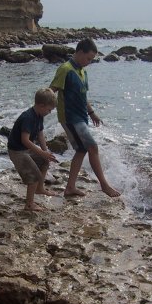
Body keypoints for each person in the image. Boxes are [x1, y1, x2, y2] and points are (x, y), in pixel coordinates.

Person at [50, 37, 121, 198]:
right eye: (88, 58)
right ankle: (104, 185)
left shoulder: (83, 71)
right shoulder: (65, 69)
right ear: (80, 52)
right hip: (70, 117)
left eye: (91, 59)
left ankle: (70, 187)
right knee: (93, 147)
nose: (89, 62)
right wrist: (40, 112)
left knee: (81, 150)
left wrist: (92, 112)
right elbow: (50, 90)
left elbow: (83, 97)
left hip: (81, 116)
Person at [8, 87, 58, 211]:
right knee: (34, 175)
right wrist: (41, 152)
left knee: (44, 161)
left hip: (25, 148)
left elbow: (40, 134)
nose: (49, 112)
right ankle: (29, 204)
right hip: (17, 151)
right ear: (41, 105)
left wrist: (45, 152)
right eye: (49, 110)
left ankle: (39, 189)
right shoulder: (28, 117)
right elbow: (25, 140)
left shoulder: (39, 115)